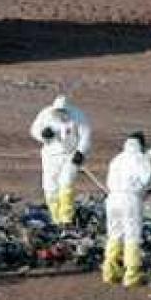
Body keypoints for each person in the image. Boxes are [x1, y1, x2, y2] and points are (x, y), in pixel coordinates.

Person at [102, 132, 151, 288]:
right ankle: (132, 274)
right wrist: (144, 189)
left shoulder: (117, 159)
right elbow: (149, 177)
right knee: (132, 235)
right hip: (130, 198)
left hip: (112, 199)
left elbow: (108, 180)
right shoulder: (140, 159)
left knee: (114, 234)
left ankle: (109, 271)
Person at [29, 95, 91, 225]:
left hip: (70, 155)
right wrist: (43, 134)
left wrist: (81, 152)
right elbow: (34, 129)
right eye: (58, 111)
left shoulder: (78, 117)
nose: (60, 114)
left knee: (66, 182)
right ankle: (56, 218)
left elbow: (85, 135)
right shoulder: (46, 114)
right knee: (50, 186)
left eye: (63, 112)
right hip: (51, 155)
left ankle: (66, 218)